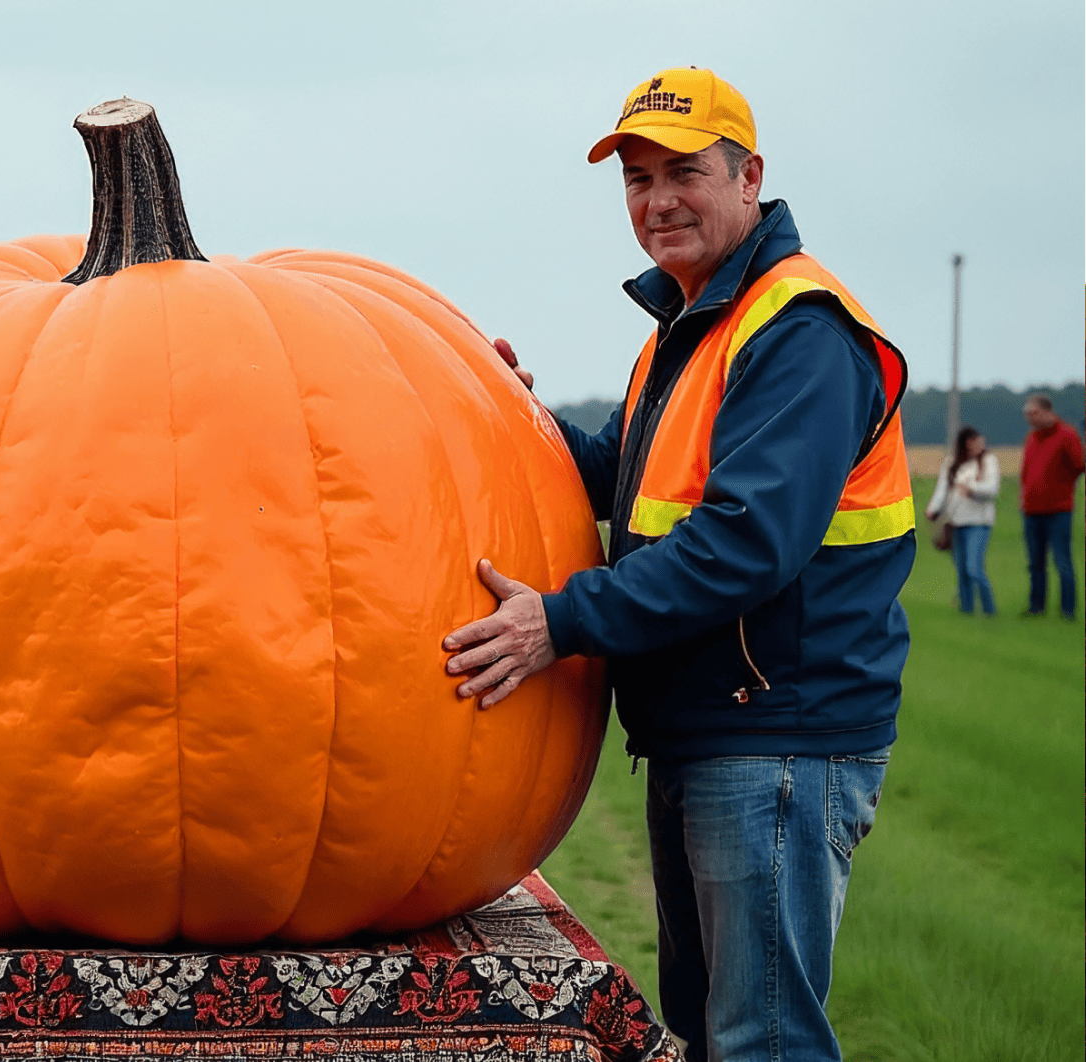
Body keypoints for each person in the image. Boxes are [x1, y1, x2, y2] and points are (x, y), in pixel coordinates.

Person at [442, 68, 913, 1061]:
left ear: (749, 176)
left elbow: (744, 543)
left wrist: (556, 622)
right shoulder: (686, 328)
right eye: (636, 178)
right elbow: (628, 478)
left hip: (777, 739)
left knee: (761, 1041)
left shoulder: (798, 331)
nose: (657, 201)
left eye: (683, 172)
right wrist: (512, 410)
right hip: (708, 730)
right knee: (707, 1031)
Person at [1017, 392, 1083, 619]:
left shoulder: (1066, 434)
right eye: (1027, 414)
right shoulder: (1032, 438)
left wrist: (1062, 484)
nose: (1030, 419)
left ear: (1048, 412)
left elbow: (1079, 464)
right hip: (1032, 509)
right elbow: (1026, 472)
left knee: (1062, 560)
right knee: (1035, 562)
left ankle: (1067, 609)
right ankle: (1037, 606)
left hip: (1058, 508)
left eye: (1034, 413)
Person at [925, 426, 1000, 615]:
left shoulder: (988, 461)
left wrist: (972, 487)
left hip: (979, 523)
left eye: (978, 442)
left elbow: (992, 488)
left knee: (974, 568)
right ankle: (966, 610)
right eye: (971, 443)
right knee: (962, 571)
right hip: (956, 523)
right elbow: (942, 489)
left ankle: (989, 609)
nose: (976, 446)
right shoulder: (952, 463)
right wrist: (934, 509)